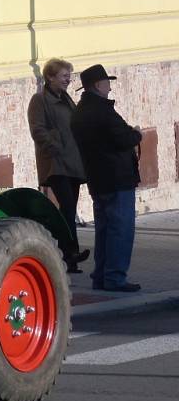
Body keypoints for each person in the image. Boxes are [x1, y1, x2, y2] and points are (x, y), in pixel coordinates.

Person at [70, 64, 142, 292]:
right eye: (107, 82)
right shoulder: (103, 111)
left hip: (97, 178)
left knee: (104, 230)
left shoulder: (80, 112)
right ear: (98, 85)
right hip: (117, 178)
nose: (109, 87)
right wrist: (136, 133)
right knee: (120, 230)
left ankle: (100, 276)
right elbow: (122, 139)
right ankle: (115, 278)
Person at [27, 58, 90, 273]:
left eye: (69, 76)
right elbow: (38, 130)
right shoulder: (39, 100)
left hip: (72, 162)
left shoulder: (67, 98)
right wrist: (56, 146)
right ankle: (69, 252)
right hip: (56, 163)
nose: (68, 80)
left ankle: (68, 258)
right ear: (50, 77)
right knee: (68, 206)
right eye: (64, 76)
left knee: (68, 209)